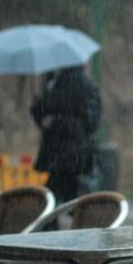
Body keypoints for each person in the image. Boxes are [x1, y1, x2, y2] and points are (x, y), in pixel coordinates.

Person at [31, 65, 101, 208]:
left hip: (71, 156)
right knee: (64, 202)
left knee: (52, 202)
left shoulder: (80, 85)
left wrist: (55, 121)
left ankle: (68, 227)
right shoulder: (56, 83)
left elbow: (87, 123)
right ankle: (78, 227)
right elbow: (45, 118)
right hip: (62, 155)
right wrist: (37, 106)